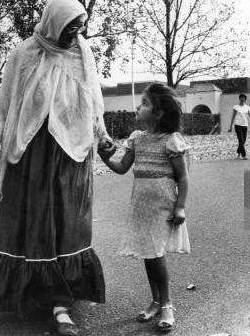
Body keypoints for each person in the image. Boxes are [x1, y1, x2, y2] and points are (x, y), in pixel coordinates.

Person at [0, 0, 116, 336]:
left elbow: (93, 99)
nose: (75, 33)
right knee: (37, 225)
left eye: (80, 27)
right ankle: (42, 295)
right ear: (54, 22)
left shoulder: (83, 53)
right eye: (70, 27)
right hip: (33, 153)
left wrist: (102, 134)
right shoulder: (24, 54)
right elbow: (5, 102)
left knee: (68, 224)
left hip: (73, 155)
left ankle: (60, 301)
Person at [99, 83, 190, 333]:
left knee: (156, 254)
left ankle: (167, 304)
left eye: (145, 103)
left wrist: (180, 207)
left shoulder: (171, 141)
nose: (138, 107)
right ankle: (156, 300)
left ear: (159, 113)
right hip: (141, 206)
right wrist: (104, 155)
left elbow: (183, 177)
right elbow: (121, 168)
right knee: (149, 256)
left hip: (163, 206)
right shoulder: (137, 139)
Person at [227, 93, 250, 160]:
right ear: (239, 99)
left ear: (245, 99)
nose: (242, 99)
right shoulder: (236, 107)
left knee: (243, 141)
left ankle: (238, 153)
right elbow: (233, 117)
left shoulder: (247, 107)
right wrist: (230, 127)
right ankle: (244, 155)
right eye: (241, 98)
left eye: (244, 98)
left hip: (245, 125)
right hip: (237, 125)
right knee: (241, 140)